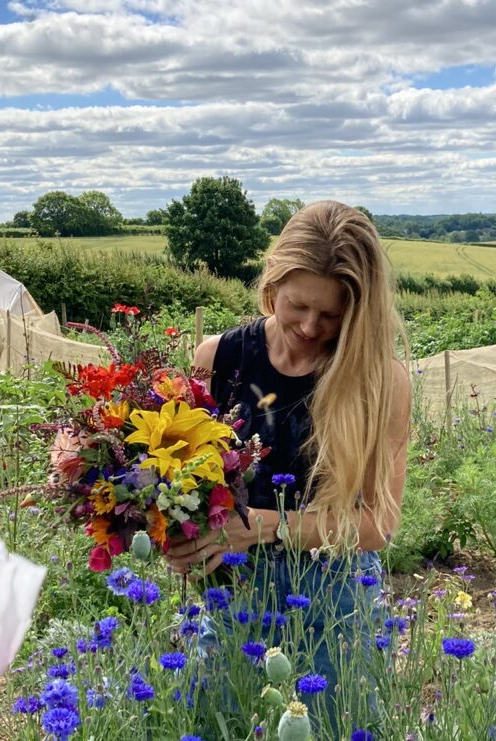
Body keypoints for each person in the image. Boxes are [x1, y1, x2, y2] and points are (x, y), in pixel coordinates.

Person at [164, 200, 411, 727]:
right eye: (298, 305)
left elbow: (375, 526)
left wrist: (260, 528)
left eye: (332, 314)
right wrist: (179, 536)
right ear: (272, 285)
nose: (310, 325)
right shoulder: (219, 360)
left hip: (333, 597)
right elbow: (182, 479)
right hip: (234, 593)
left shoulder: (379, 381)